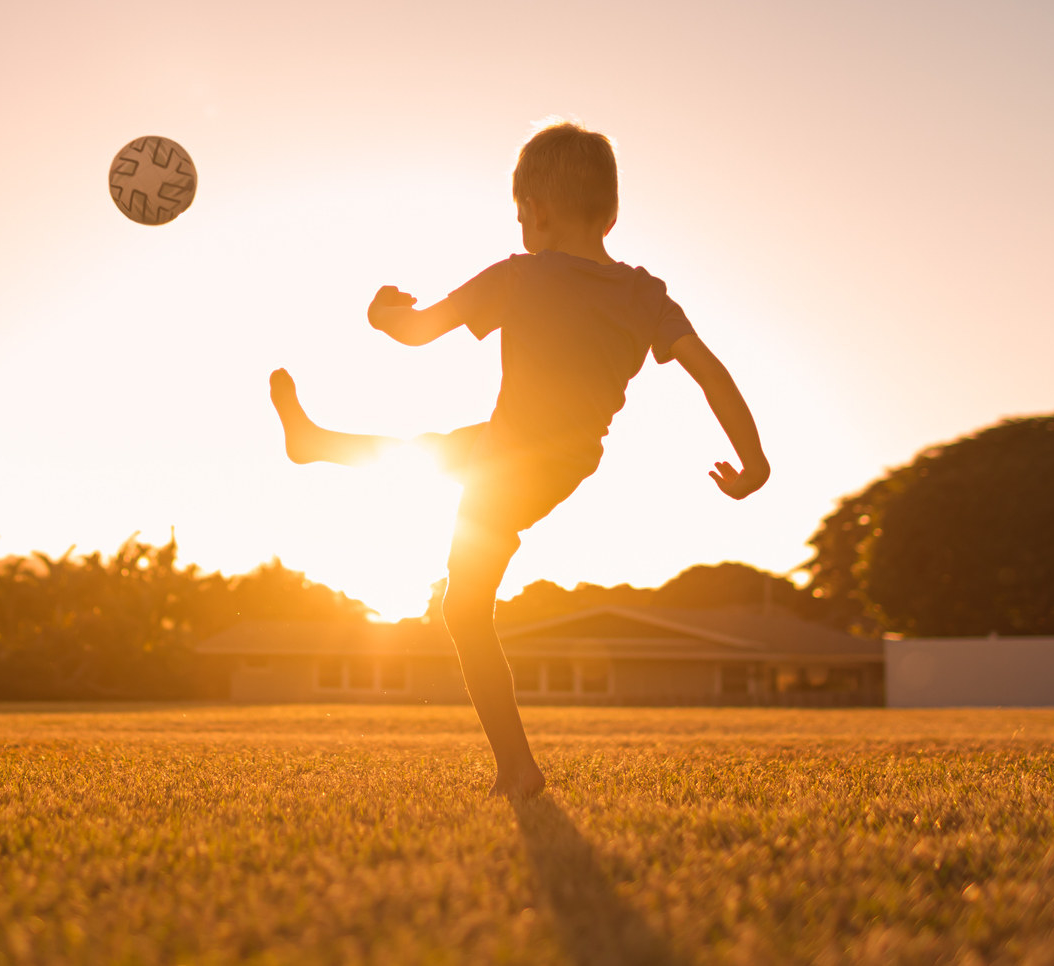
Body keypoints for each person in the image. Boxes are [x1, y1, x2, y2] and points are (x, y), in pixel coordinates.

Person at [267, 120, 768, 799]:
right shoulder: (645, 295)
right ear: (610, 212)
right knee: (436, 453)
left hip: (512, 457)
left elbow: (416, 333)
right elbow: (710, 374)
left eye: (518, 215)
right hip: (561, 459)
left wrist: (381, 312)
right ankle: (315, 444)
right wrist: (753, 460)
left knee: (464, 610)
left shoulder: (519, 277)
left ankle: (516, 767)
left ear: (532, 213)